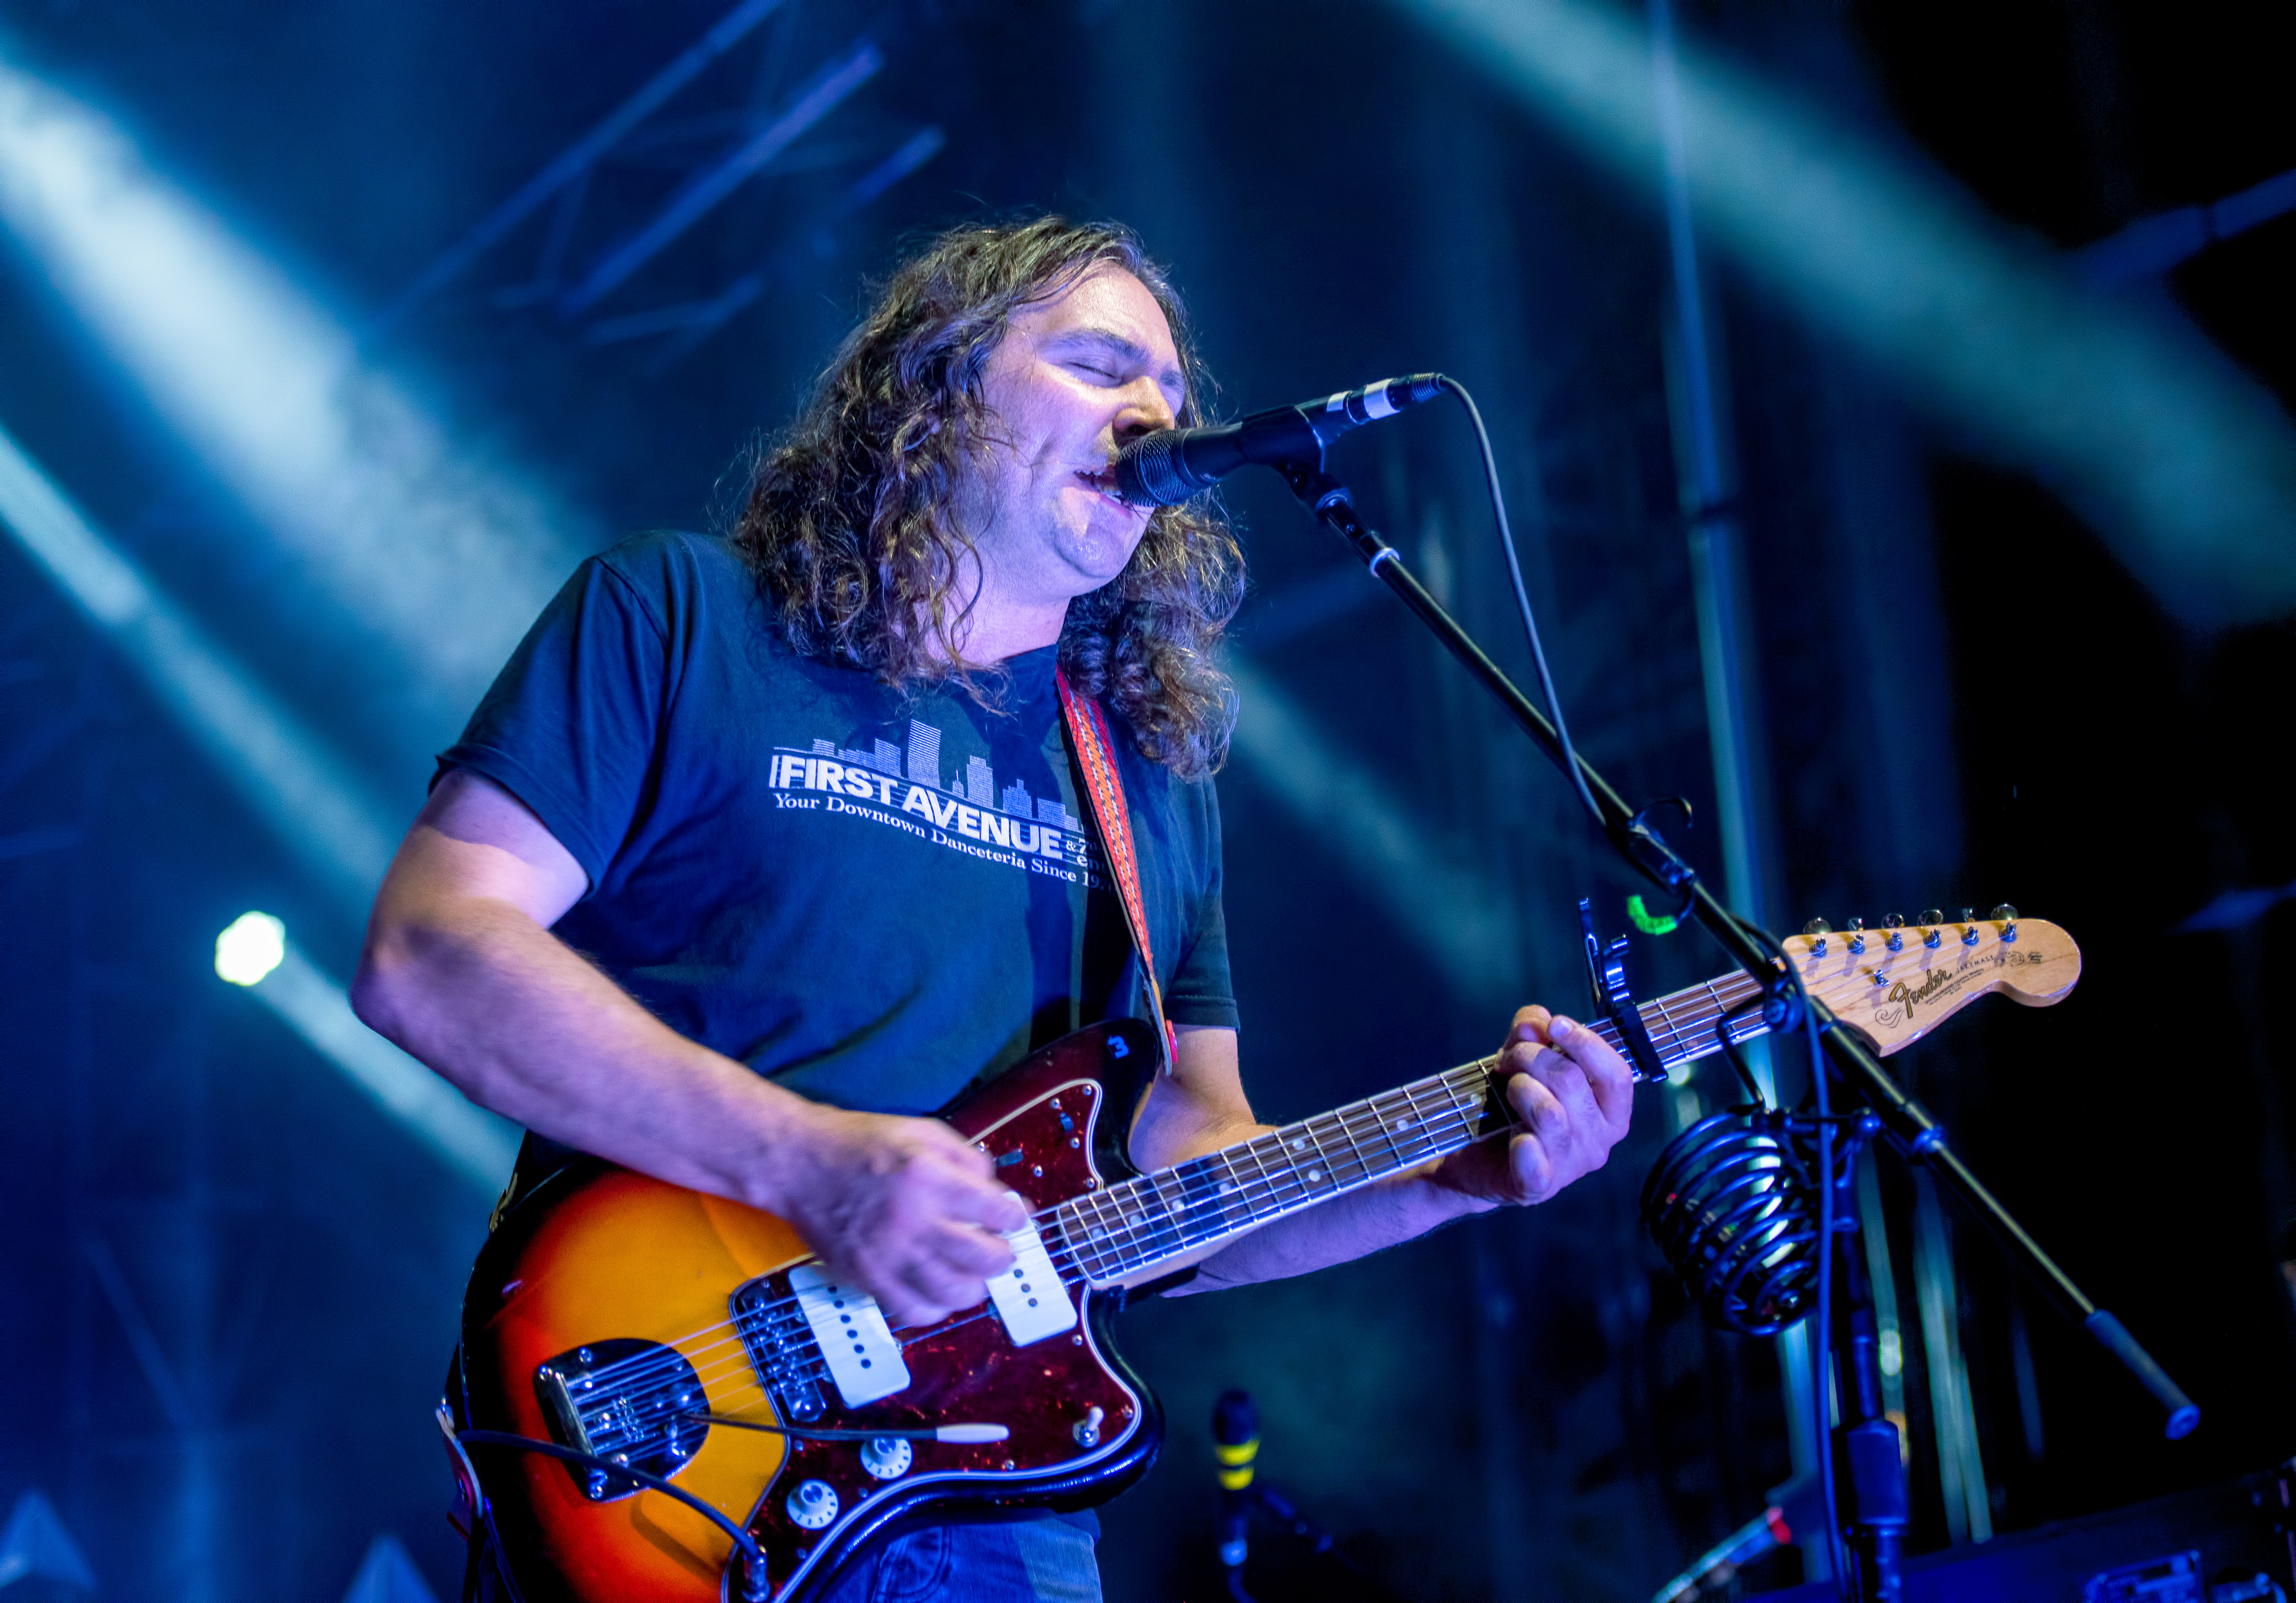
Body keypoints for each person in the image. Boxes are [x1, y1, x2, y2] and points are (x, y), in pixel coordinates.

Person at [351, 216, 1634, 1602]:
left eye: (1172, 395)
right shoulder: (680, 615)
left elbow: (1185, 1178)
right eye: (1096, 365)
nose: (1153, 413)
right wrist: (811, 1166)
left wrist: (1455, 1174)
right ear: (937, 387)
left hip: (988, 1519)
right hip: (669, 1425)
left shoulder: (1149, 776)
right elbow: (432, 950)